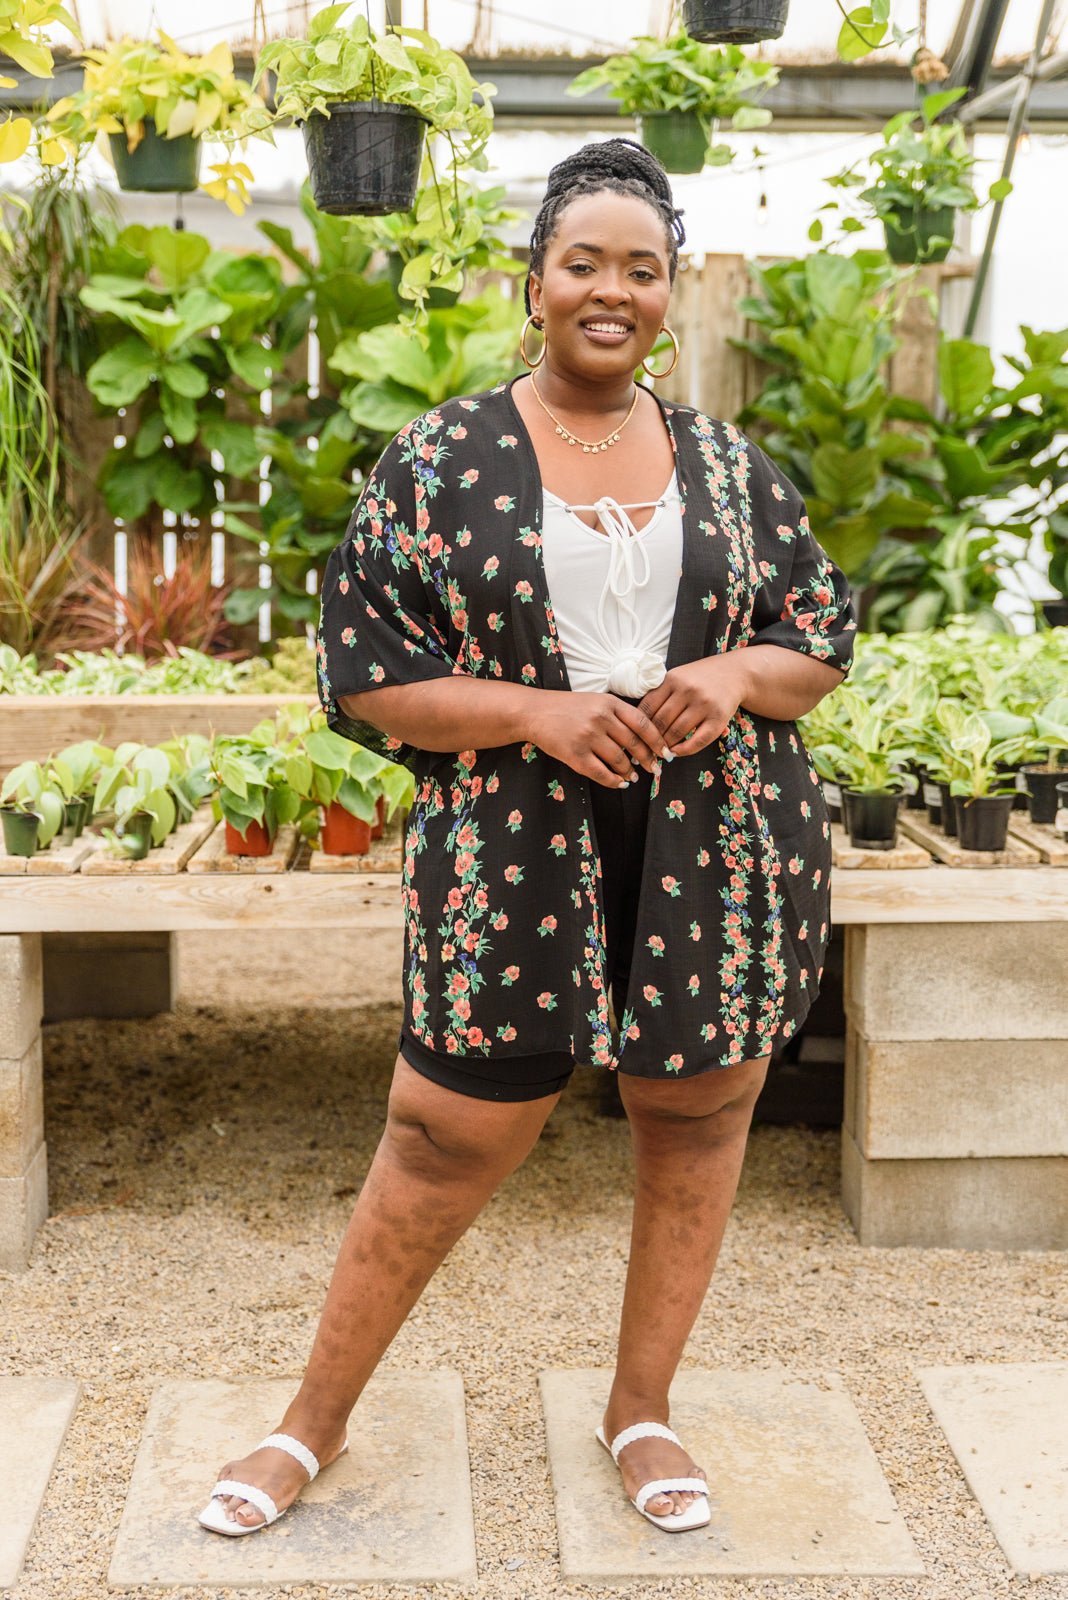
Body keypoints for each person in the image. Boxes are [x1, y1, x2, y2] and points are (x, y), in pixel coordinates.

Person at [198, 138, 855, 1540]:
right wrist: (537, 715)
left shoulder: (730, 468)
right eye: (584, 263)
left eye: (643, 269)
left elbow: (816, 640)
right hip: (512, 840)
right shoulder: (439, 458)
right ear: (537, 280)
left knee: (697, 1117)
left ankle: (642, 1406)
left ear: (671, 292)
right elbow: (367, 674)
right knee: (443, 1131)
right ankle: (309, 1421)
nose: (613, 290)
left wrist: (735, 673)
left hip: (718, 841)